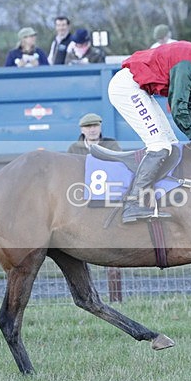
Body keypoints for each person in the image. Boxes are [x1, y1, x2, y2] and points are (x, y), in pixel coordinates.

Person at [107, 21, 191, 224]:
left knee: (171, 145)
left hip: (137, 88)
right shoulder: (189, 64)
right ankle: (133, 204)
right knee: (160, 145)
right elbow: (178, 108)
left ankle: (160, 201)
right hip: (127, 88)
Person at [66, 113, 124, 301]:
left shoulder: (111, 145)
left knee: (113, 243)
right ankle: (86, 293)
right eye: (88, 126)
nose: (92, 129)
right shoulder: (73, 149)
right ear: (82, 130)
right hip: (83, 202)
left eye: (95, 125)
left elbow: (119, 168)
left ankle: (116, 297)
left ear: (100, 127)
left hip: (109, 200)